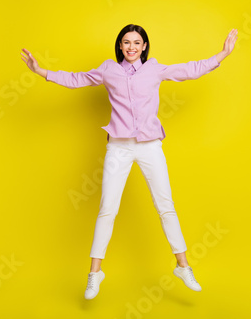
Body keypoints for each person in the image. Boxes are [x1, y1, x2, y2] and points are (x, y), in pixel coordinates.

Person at [21, 23, 238, 300]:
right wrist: (41, 71)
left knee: (166, 207)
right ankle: (94, 273)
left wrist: (222, 54)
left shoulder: (155, 69)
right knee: (107, 209)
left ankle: (183, 267)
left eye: (137, 42)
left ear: (144, 46)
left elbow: (189, 70)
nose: (132, 47)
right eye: (127, 42)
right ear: (120, 46)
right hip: (119, 147)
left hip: (150, 147)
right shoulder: (108, 70)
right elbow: (76, 79)